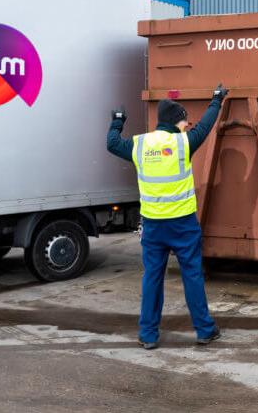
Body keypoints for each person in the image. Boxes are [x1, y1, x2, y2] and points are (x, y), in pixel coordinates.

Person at [106, 83, 228, 349]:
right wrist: (217, 99)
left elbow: (112, 144)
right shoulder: (183, 143)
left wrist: (118, 121)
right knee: (192, 275)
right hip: (183, 224)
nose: (187, 125)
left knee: (152, 278)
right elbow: (206, 127)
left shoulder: (140, 145)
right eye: (185, 120)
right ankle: (204, 330)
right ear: (176, 122)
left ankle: (148, 335)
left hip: (152, 226)